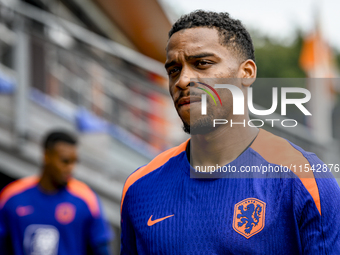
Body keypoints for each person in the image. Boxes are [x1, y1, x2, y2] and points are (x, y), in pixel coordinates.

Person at [120, 10, 340, 254]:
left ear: (246, 73)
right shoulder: (139, 187)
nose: (183, 80)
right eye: (173, 70)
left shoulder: (305, 179)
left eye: (202, 63)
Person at [0, 130, 113, 255]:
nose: (71, 168)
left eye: (74, 161)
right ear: (46, 156)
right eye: (65, 161)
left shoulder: (86, 200)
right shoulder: (11, 197)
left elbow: (102, 249)